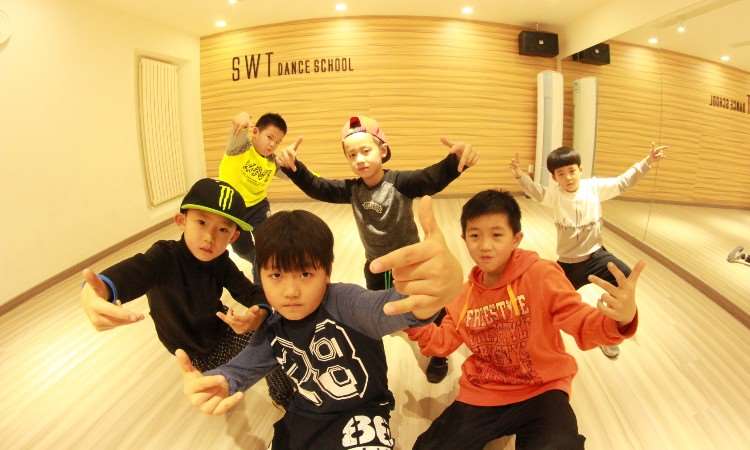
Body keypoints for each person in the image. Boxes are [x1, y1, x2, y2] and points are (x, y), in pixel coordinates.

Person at [176, 196, 464, 450]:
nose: (291, 292)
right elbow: (242, 368)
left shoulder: (346, 303)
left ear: (326, 272)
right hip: (304, 413)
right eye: (276, 275)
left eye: (305, 274)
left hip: (362, 412)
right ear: (259, 277)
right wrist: (220, 382)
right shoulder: (272, 328)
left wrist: (434, 292)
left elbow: (393, 309)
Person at [407, 189, 645, 450]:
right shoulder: (462, 296)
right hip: (485, 392)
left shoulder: (540, 275)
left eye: (497, 235)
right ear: (464, 239)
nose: (485, 246)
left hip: (542, 388)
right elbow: (440, 343)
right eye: (475, 235)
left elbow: (580, 321)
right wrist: (416, 318)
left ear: (516, 238)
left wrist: (620, 320)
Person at [274, 114, 479, 382]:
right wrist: (294, 169)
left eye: (365, 151)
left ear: (382, 150)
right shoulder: (352, 190)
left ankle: (439, 352)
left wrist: (455, 162)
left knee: (429, 307)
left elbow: (430, 178)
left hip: (411, 264)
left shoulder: (399, 182)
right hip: (376, 264)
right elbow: (319, 188)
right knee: (377, 308)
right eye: (352, 155)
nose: (359, 159)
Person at [80, 178, 293, 406]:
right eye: (201, 222)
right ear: (181, 221)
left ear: (233, 237)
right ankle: (274, 397)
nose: (209, 237)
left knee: (274, 335)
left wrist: (258, 313)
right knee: (253, 357)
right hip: (194, 348)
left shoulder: (221, 261)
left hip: (220, 330)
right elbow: (131, 273)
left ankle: (283, 396)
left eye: (222, 229)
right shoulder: (164, 256)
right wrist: (95, 293)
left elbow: (249, 292)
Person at [510, 143, 664, 358]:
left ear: (580, 170)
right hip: (568, 263)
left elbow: (623, 181)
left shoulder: (594, 188)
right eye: (561, 174)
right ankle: (530, 339)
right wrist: (520, 176)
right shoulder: (555, 196)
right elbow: (536, 192)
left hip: (596, 256)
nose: (568, 177)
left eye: (572, 171)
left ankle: (607, 333)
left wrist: (647, 162)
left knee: (625, 278)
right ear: (554, 178)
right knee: (547, 302)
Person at [219, 111, 301, 283]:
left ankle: (261, 286)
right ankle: (258, 262)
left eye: (277, 142)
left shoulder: (272, 161)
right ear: (255, 132)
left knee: (267, 245)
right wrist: (242, 116)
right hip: (233, 209)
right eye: (269, 137)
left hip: (258, 207)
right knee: (242, 250)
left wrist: (293, 164)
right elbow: (239, 123)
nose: (272, 144)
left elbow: (291, 174)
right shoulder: (240, 148)